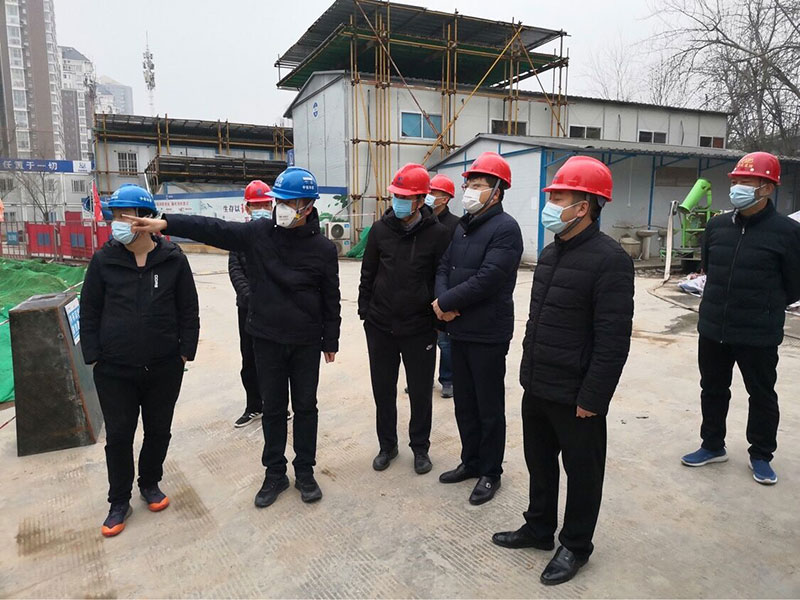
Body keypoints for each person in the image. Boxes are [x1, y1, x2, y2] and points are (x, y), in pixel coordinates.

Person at [125, 167, 341, 507]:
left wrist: (331, 340)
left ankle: (305, 471)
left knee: (305, 408)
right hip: (266, 338)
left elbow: (331, 296)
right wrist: (166, 223)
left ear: (308, 206)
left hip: (305, 341)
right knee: (273, 409)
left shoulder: (323, 249)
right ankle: (275, 474)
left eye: (290, 203)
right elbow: (214, 228)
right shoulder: (259, 234)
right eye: (279, 201)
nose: (282, 208)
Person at [492, 156, 633, 585]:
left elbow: (613, 339)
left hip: (576, 394)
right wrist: (527, 371)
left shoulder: (610, 260)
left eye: (558, 198)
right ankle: (538, 528)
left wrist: (594, 397)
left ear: (584, 206)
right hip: (538, 383)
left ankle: (575, 545)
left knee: (583, 473)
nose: (550, 205)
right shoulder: (552, 253)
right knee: (540, 463)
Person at [80, 184, 199, 537]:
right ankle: (119, 500)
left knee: (158, 430)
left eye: (125, 215)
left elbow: (188, 309)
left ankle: (150, 482)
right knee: (119, 435)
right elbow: (90, 310)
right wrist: (94, 356)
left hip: (164, 366)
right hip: (115, 369)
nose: (117, 222)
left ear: (146, 220)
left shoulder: (173, 259)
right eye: (115, 216)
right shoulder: (104, 260)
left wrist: (184, 352)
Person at [681, 151, 800, 485]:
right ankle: (712, 445)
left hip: (758, 332)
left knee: (761, 394)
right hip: (713, 327)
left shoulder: (788, 232)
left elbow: (794, 285)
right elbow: (710, 269)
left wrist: (763, 307)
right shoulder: (717, 227)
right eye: (736, 181)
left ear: (767, 188)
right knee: (712, 389)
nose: (738, 188)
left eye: (747, 182)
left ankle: (761, 454)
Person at [433, 152, 523, 505]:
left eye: (478, 184)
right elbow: (445, 266)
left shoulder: (506, 229)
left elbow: (489, 278)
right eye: (468, 184)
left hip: (488, 332)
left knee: (488, 407)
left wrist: (446, 302)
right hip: (459, 329)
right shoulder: (463, 226)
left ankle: (490, 472)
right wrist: (443, 302)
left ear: (497, 192)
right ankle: (470, 462)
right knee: (465, 404)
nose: (469, 190)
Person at [358, 164, 450, 474]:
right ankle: (387, 446)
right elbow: (368, 272)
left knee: (421, 392)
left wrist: (437, 322)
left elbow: (441, 277)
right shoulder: (380, 230)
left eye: (405, 197)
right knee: (383, 390)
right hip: (380, 326)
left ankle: (420, 448)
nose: (398, 201)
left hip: (419, 328)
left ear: (421, 200)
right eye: (395, 195)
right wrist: (365, 310)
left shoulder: (438, 234)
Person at [229, 180, 272, 428]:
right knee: (249, 359)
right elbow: (235, 269)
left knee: (274, 360)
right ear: (247, 208)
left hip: (273, 309)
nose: (262, 209)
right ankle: (254, 405)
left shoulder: (279, 235)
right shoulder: (239, 236)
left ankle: (276, 404)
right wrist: (250, 297)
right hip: (247, 309)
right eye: (257, 205)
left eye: (265, 204)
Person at [426, 173, 458, 399]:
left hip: (444, 289)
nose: (428, 196)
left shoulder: (455, 224)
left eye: (433, 193)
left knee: (445, 342)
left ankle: (447, 380)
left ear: (445, 198)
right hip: (423, 288)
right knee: (423, 341)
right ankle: (423, 378)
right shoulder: (422, 220)